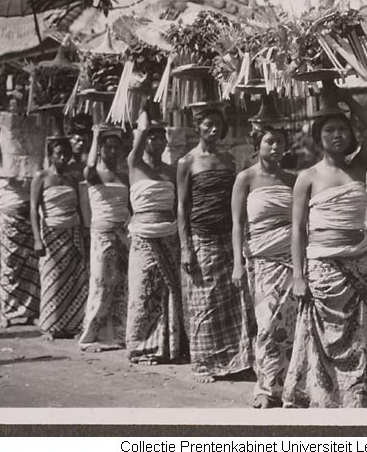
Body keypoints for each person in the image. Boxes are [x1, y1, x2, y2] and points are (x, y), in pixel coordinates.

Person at [283, 82, 367, 408]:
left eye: (343, 129)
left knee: (360, 336)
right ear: (318, 137)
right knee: (320, 337)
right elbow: (298, 230)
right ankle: (324, 401)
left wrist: (345, 98)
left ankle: (358, 401)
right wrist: (299, 276)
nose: (337, 135)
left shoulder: (358, 166)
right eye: (330, 130)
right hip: (323, 269)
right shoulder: (308, 177)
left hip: (357, 263)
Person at [177, 104, 253, 383]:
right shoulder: (187, 162)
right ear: (197, 128)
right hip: (201, 236)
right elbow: (182, 207)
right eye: (208, 124)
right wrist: (185, 246)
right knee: (204, 300)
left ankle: (235, 359)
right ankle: (204, 363)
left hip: (226, 235)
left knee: (231, 298)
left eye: (217, 125)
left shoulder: (228, 158)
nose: (214, 129)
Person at [230, 99, 296, 407]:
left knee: (291, 326)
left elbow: (302, 225)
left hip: (292, 260)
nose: (276, 147)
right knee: (269, 326)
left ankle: (289, 388)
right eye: (270, 141)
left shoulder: (293, 179)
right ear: (258, 144)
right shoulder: (246, 178)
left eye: (280, 142)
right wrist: (237, 265)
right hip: (261, 261)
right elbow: (237, 224)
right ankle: (266, 389)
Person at [0, 70, 46, 327]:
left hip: (30, 196)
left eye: (23, 90)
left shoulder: (35, 123)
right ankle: (8, 311)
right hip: (9, 199)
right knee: (11, 260)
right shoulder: (1, 125)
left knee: (31, 260)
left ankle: (30, 309)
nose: (17, 98)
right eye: (14, 93)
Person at [125, 108, 185, 365]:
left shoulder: (172, 172)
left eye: (161, 138)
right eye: (152, 138)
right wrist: (143, 109)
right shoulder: (135, 166)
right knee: (142, 292)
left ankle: (168, 346)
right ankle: (140, 346)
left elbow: (179, 207)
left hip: (169, 236)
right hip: (142, 237)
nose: (157, 142)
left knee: (168, 291)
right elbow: (137, 144)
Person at [78, 125, 131, 352]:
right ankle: (91, 333)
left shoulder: (124, 176)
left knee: (121, 284)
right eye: (107, 147)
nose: (112, 151)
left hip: (122, 234)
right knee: (100, 282)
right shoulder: (94, 174)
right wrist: (96, 136)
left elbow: (130, 206)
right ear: (100, 150)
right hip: (102, 234)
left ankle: (118, 334)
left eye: (116, 148)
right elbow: (88, 168)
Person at [31, 135, 88, 340]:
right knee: (52, 278)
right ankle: (50, 325)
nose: (63, 158)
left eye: (67, 154)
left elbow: (80, 207)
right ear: (50, 155)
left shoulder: (73, 177)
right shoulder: (41, 177)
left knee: (75, 279)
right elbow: (33, 208)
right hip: (51, 234)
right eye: (59, 154)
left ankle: (73, 324)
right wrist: (37, 238)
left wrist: (83, 231)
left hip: (72, 232)